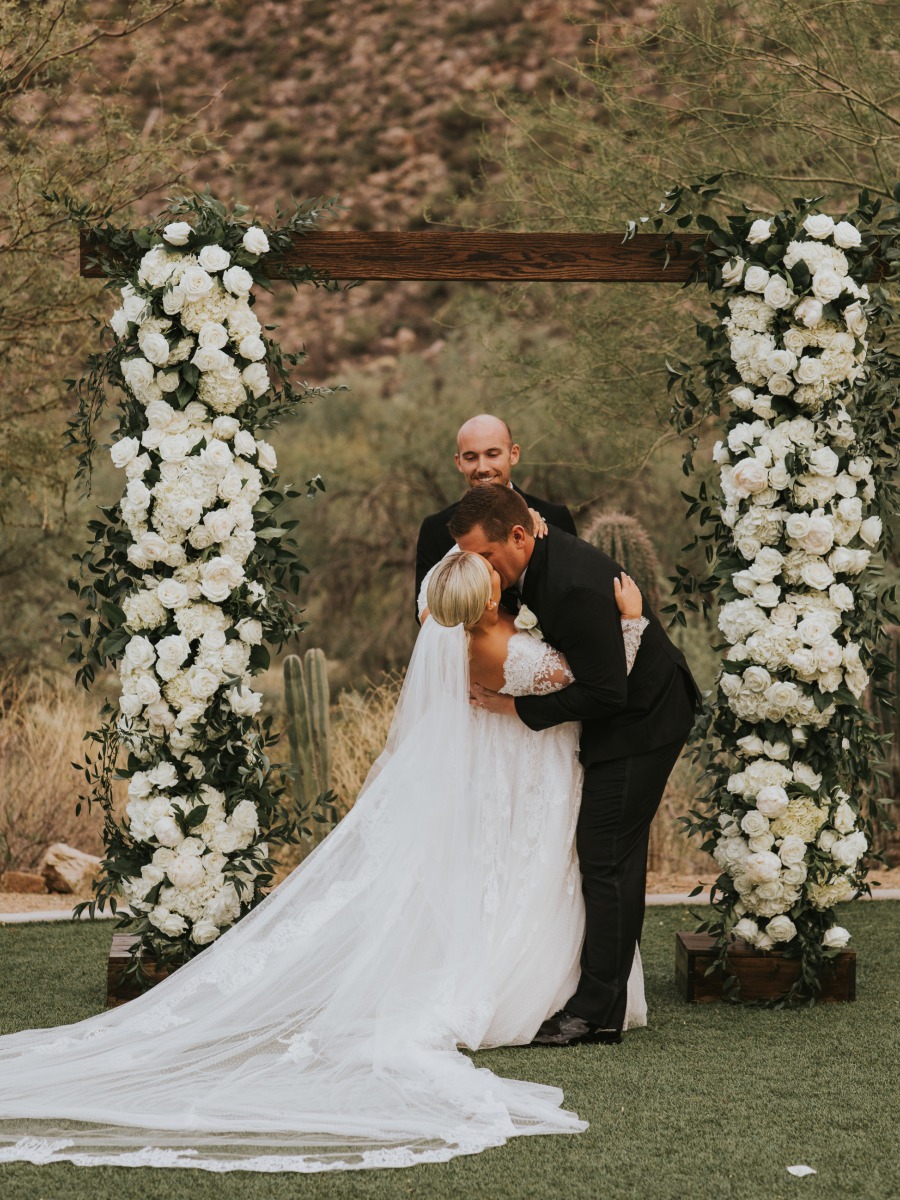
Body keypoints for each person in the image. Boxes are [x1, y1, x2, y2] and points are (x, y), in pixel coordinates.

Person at [0, 550, 647, 1175]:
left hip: (522, 774)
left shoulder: (472, 635)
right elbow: (593, 684)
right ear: (486, 598)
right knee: (524, 881)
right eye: (489, 576)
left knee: (513, 877)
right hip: (533, 770)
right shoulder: (496, 646)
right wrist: (629, 623)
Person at [451, 485, 700, 1047]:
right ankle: (603, 1000)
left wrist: (519, 707)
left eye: (486, 558)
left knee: (604, 856)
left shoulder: (572, 588)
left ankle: (594, 1015)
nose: (482, 570)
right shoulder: (528, 557)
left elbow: (608, 693)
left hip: (642, 722)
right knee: (611, 857)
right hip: (616, 712)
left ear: (519, 537)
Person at [414, 414, 575, 618]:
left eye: (492, 454)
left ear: (513, 454)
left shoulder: (555, 516)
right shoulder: (435, 528)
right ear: (459, 462)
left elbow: (571, 594)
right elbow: (426, 615)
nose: (482, 468)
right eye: (471, 457)